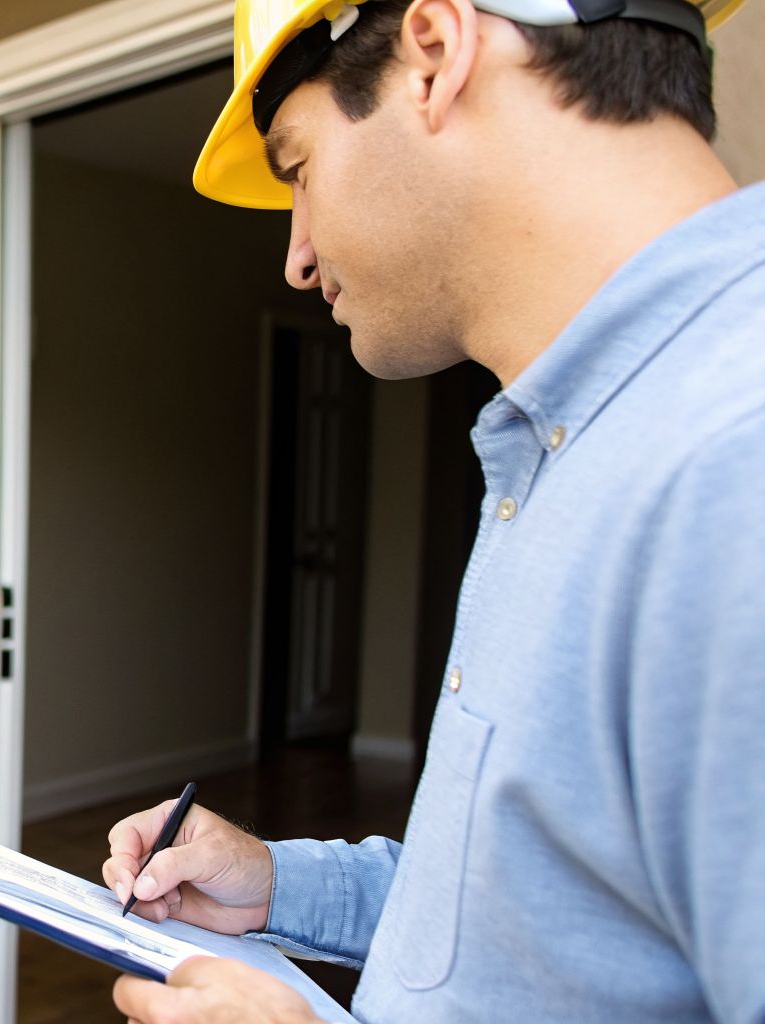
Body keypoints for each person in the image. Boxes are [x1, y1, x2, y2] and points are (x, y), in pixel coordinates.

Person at [99, 0, 765, 1019]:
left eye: (297, 168)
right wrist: (280, 885)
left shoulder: (732, 461)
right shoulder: (571, 446)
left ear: (435, 54)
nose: (296, 255)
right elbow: (542, 918)